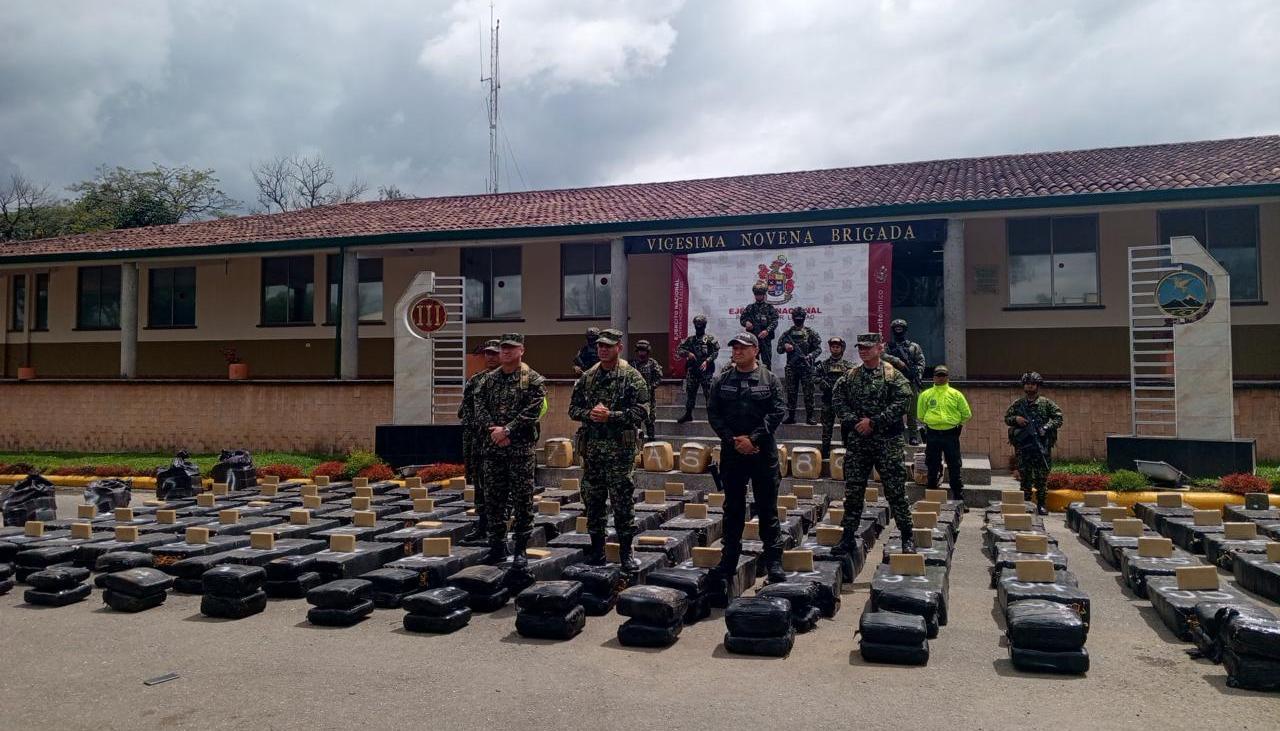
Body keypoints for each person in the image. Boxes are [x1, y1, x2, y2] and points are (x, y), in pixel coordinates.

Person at [707, 332, 788, 584]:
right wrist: (734, 441)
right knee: (733, 509)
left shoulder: (770, 380)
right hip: (733, 453)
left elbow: (777, 412)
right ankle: (728, 561)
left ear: (755, 350)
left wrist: (753, 440)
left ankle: (773, 562)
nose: (737, 351)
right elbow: (714, 414)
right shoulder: (721, 381)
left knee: (767, 509)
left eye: (742, 347)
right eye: (734, 347)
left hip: (762, 453)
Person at [568, 328, 650, 571]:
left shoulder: (631, 376)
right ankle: (597, 551)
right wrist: (589, 414)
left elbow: (642, 410)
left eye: (608, 346)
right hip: (592, 452)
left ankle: (626, 553)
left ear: (619, 348)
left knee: (622, 502)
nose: (603, 349)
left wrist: (611, 416)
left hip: (619, 453)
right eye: (600, 346)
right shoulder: (588, 377)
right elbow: (573, 408)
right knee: (592, 502)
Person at [831, 332, 916, 555]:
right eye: (861, 347)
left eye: (868, 347)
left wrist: (875, 422)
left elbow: (904, 401)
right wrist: (855, 422)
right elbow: (837, 400)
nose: (863, 351)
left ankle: (907, 536)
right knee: (854, 492)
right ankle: (847, 537)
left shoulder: (892, 376)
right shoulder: (850, 376)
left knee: (896, 491)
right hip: (859, 443)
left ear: (880, 348)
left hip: (887, 442)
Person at [474, 333, 548, 568]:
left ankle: (520, 549)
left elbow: (532, 412)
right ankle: (497, 547)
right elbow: (479, 407)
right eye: (503, 348)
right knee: (494, 500)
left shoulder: (533, 380)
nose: (506, 352)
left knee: (522, 500)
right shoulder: (487, 381)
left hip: (519, 451)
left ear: (521, 350)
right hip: (494, 449)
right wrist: (493, 431)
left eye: (511, 348)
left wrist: (507, 430)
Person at [458, 339, 501, 541]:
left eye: (495, 353)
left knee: (500, 488)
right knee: (480, 485)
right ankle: (482, 524)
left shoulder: (513, 379)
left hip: (499, 442)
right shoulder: (476, 380)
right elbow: (465, 411)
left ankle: (499, 530)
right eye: (488, 353)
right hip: (477, 442)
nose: (491, 357)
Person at [1005, 371, 1064, 515]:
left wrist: (1046, 427)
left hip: (1040, 446)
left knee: (1041, 478)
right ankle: (1025, 504)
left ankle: (1041, 504)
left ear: (1037, 386)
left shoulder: (1046, 403)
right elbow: (1007, 418)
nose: (1030, 387)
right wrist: (1016, 419)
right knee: (1025, 477)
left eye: (1032, 384)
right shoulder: (1018, 404)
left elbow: (1058, 418)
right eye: (1027, 384)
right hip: (1024, 448)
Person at [917, 365, 972, 502]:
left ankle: (959, 500)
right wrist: (935, 422)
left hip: (951, 435)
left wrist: (954, 423)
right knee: (932, 466)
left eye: (943, 375)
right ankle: (931, 499)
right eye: (938, 375)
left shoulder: (956, 394)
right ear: (934, 377)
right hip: (933, 434)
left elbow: (966, 414)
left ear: (947, 377)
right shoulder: (926, 394)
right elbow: (920, 415)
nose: (940, 378)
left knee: (954, 466)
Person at [883, 318, 927, 445]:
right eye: (896, 328)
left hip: (910, 381)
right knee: (895, 409)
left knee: (912, 410)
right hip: (893, 382)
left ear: (905, 330)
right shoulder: (888, 346)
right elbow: (881, 356)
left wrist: (916, 372)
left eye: (901, 328)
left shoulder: (913, 347)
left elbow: (921, 362)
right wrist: (896, 361)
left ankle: (913, 436)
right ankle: (898, 435)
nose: (898, 330)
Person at [776, 308, 821, 425]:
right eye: (796, 318)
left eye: (800, 318)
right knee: (791, 392)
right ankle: (791, 416)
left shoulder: (811, 333)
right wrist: (785, 347)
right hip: (792, 367)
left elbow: (819, 349)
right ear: (793, 318)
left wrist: (811, 355)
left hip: (806, 367)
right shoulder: (787, 334)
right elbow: (779, 349)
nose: (798, 320)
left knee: (809, 393)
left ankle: (810, 417)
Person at [675, 315, 719, 423]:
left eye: (701, 326)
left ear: (704, 326)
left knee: (708, 394)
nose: (699, 328)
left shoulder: (709, 339)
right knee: (690, 394)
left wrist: (707, 361)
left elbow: (715, 352)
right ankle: (688, 414)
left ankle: (712, 416)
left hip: (706, 371)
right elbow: (679, 350)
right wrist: (687, 353)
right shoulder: (690, 340)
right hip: (693, 370)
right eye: (697, 326)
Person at [817, 336, 853, 457]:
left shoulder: (848, 366)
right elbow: (813, 376)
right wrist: (821, 382)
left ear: (842, 348)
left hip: (843, 402)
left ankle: (847, 451)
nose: (835, 349)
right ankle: (825, 451)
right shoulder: (823, 365)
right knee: (827, 428)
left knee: (846, 428)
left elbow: (854, 378)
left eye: (837, 347)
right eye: (833, 347)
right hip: (828, 400)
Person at [739, 283, 780, 370]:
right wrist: (746, 323)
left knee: (767, 363)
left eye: (760, 294)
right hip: (753, 340)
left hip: (765, 340)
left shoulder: (769, 308)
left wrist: (767, 331)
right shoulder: (750, 308)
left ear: (764, 295)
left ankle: (768, 381)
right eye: (756, 294)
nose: (758, 296)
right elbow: (742, 319)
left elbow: (775, 321)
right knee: (752, 362)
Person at [631, 339, 664, 441]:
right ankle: (637, 442)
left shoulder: (652, 363)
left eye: (643, 351)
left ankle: (651, 440)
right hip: (636, 398)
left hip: (649, 398)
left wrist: (651, 386)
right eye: (640, 351)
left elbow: (659, 378)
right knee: (636, 421)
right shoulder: (633, 364)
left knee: (650, 420)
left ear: (648, 351)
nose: (641, 353)